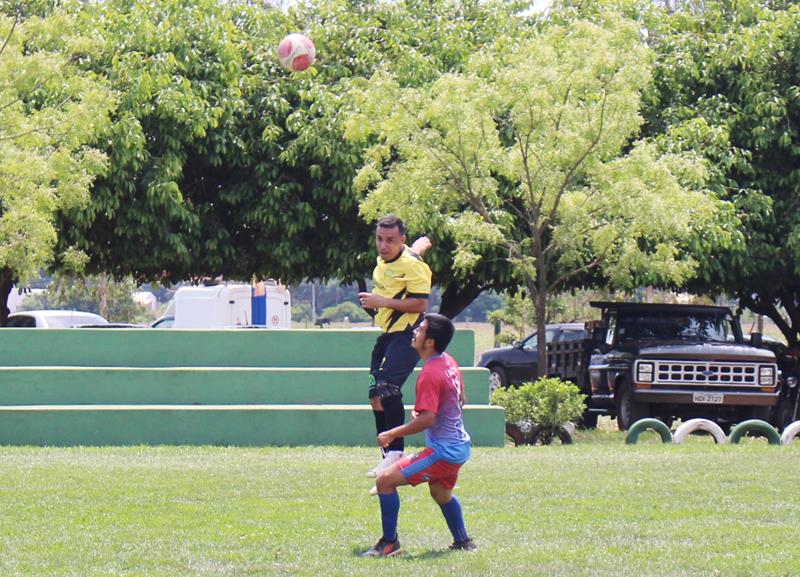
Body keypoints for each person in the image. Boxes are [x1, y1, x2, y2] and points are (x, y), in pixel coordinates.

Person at [361, 313, 475, 557]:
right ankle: (463, 542)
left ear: (430, 341)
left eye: (420, 329)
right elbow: (461, 398)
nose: (414, 332)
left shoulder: (429, 374)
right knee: (440, 493)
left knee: (384, 481)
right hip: (460, 445)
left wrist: (392, 433)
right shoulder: (448, 361)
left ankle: (389, 543)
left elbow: (427, 419)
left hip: (443, 451)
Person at [359, 214, 432, 481]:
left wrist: (382, 300)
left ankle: (396, 452)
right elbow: (410, 253)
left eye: (390, 240)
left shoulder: (413, 266)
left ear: (401, 239)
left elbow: (420, 304)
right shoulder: (384, 260)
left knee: (389, 386)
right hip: (387, 336)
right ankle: (386, 460)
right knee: (375, 394)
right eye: (380, 239)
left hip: (409, 334)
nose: (383, 245)